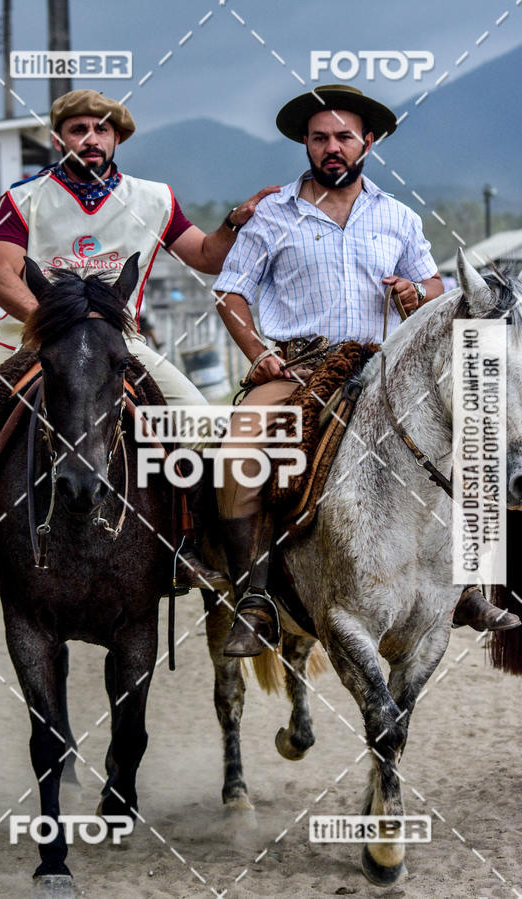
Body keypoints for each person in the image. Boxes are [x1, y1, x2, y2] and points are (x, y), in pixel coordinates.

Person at [0, 89, 279, 591]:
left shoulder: (155, 198)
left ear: (117, 138)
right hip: (29, 339)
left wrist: (233, 222)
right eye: (78, 130)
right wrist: (57, 325)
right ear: (57, 139)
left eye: (102, 130)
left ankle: (186, 548)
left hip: (119, 345)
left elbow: (205, 255)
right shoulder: (24, 197)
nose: (91, 139)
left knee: (197, 418)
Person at [213, 83, 519, 657]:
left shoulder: (398, 216)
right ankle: (253, 599)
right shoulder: (272, 215)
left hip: (386, 365)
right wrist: (258, 353)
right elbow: (229, 294)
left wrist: (414, 292)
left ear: (368, 142)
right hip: (299, 365)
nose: (333, 147)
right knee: (239, 447)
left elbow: (434, 288)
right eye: (320, 137)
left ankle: (468, 587)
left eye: (344, 137)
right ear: (305, 144)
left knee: (472, 436)